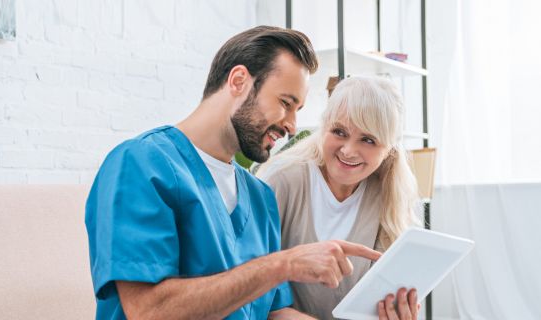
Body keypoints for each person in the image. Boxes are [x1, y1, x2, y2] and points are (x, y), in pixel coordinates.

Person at [85, 26, 382, 320]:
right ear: (239, 81)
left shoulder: (259, 195)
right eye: (285, 103)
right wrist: (282, 264)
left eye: (298, 110)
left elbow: (274, 313)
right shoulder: (140, 164)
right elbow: (150, 310)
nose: (292, 125)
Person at [257, 76, 422, 319]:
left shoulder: (387, 196)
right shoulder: (283, 181)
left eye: (368, 140)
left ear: (388, 150)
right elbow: (256, 298)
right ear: (324, 127)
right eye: (339, 132)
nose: (348, 150)